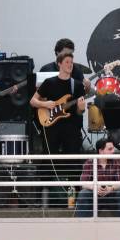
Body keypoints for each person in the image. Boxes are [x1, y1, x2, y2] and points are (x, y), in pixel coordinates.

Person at [31, 52, 87, 184]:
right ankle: (45, 193)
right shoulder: (49, 83)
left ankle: (73, 192)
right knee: (49, 159)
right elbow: (33, 101)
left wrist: (81, 107)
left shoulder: (77, 85)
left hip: (71, 127)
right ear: (59, 64)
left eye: (71, 62)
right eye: (67, 62)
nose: (70, 65)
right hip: (51, 126)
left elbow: (79, 112)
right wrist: (44, 104)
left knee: (73, 159)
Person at [74, 138, 120, 218]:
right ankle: (82, 225)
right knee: (83, 193)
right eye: (110, 149)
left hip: (112, 195)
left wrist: (111, 188)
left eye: (113, 149)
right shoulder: (90, 162)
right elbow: (83, 183)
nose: (113, 151)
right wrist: (94, 187)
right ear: (101, 151)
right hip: (95, 195)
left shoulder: (117, 161)